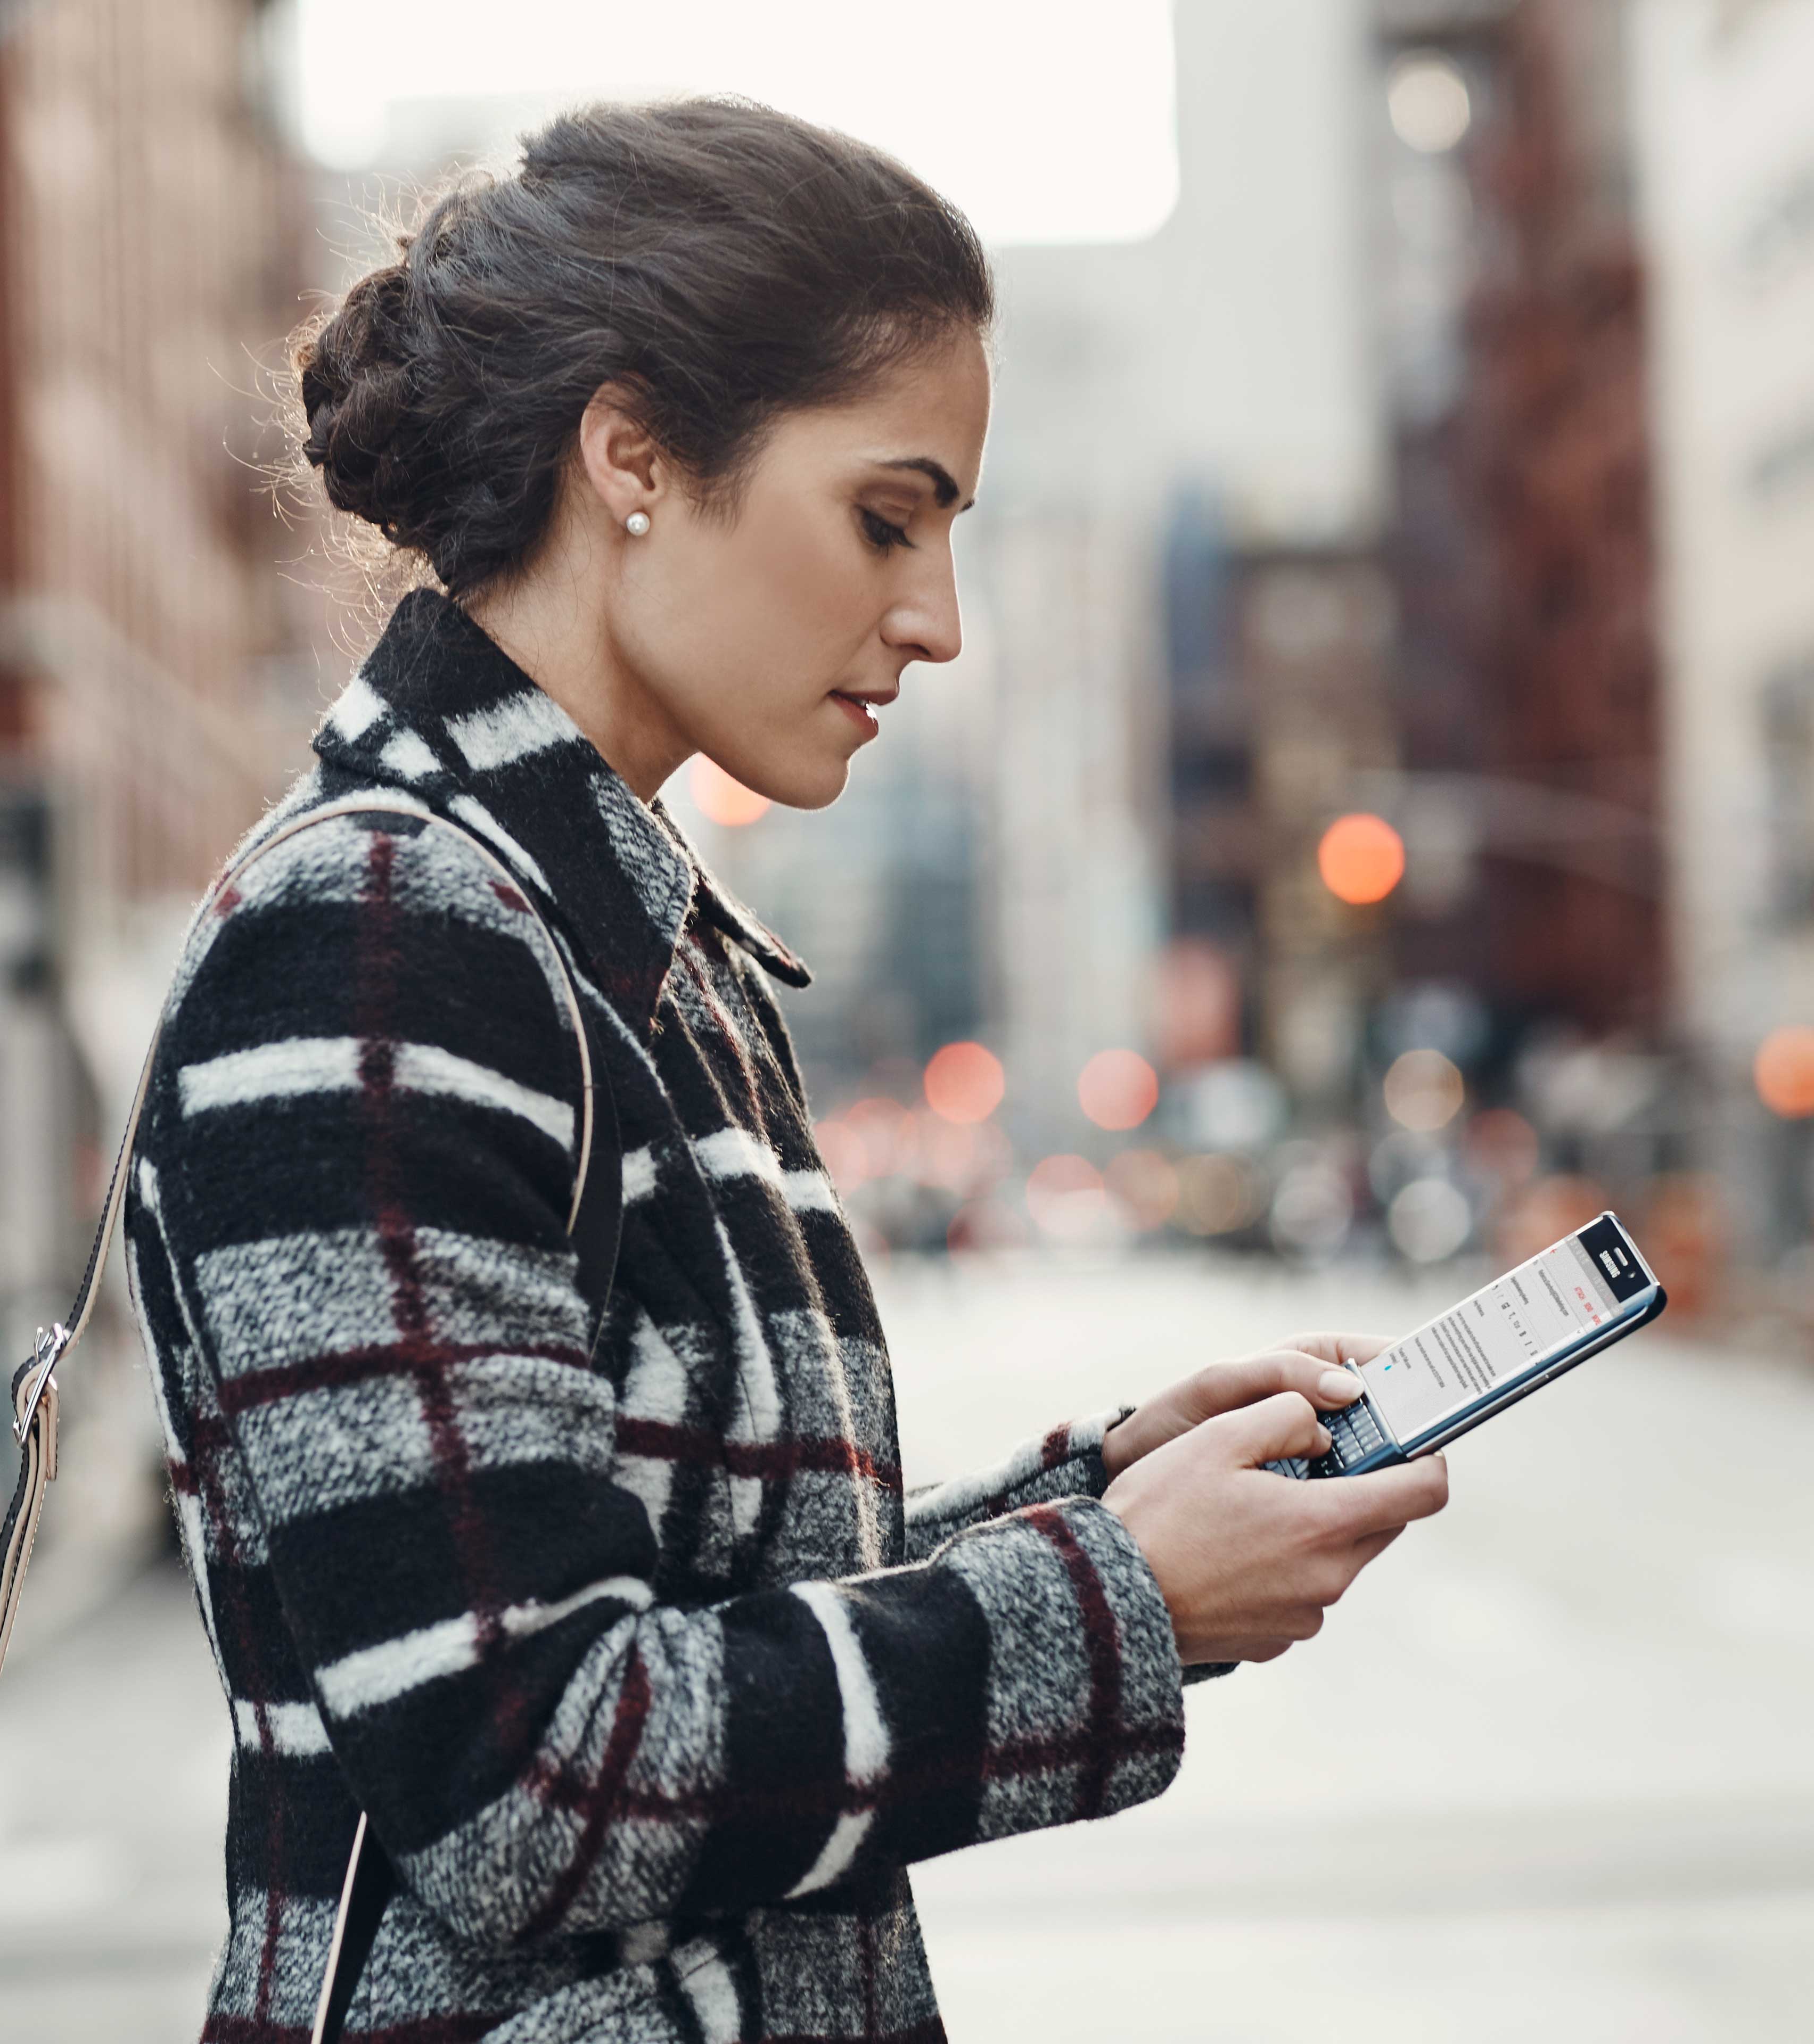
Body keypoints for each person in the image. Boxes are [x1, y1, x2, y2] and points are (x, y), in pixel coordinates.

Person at [122, 101, 1451, 2041]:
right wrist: (1119, 1605)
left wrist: (1095, 1506)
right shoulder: (382, 944)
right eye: (883, 515)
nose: (932, 618)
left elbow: (679, 1613)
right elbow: (525, 1786)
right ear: (633, 454)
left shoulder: (620, 941)